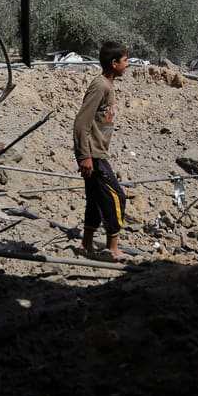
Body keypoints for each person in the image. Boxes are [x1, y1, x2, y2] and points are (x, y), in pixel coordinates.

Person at [73, 41, 129, 260]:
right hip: (94, 155)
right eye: (125, 61)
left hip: (97, 153)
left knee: (95, 199)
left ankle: (86, 244)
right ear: (114, 63)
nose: (127, 65)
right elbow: (81, 123)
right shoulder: (100, 86)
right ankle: (113, 248)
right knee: (116, 197)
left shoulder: (108, 85)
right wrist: (85, 156)